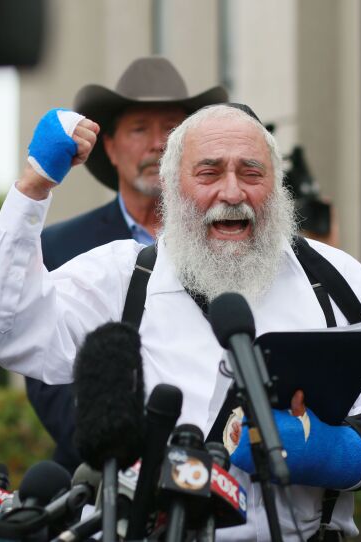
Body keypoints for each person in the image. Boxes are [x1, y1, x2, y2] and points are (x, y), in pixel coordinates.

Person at [0, 103, 361, 540]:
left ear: (276, 186)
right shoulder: (121, 278)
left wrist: (333, 451)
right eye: (209, 172)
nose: (231, 192)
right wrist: (34, 185)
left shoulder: (335, 279)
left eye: (251, 173)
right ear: (170, 187)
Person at [26, 56, 227, 472]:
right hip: (98, 480)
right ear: (111, 147)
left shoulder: (226, 241)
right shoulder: (60, 246)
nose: (157, 143)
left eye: (171, 129)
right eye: (139, 129)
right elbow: (47, 378)